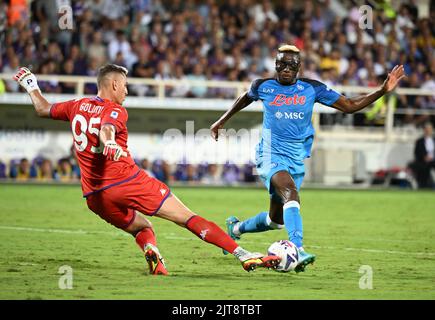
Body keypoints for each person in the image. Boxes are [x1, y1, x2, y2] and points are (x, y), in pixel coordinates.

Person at [13, 64, 280, 276]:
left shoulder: (76, 106)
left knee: (142, 227)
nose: (126, 91)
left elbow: (43, 108)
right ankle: (243, 254)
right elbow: (107, 129)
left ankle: (153, 254)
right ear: (115, 84)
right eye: (125, 86)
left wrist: (31, 84)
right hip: (126, 181)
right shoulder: (115, 110)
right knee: (187, 217)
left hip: (94, 196)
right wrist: (108, 144)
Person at [210, 44, 405, 272]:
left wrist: (382, 90)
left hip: (295, 158)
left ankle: (235, 229)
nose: (285, 69)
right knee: (291, 193)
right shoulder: (263, 86)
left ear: (299, 67)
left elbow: (350, 106)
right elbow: (246, 97)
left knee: (276, 220)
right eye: (281, 64)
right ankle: (298, 248)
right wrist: (221, 121)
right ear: (275, 65)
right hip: (270, 154)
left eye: (291, 65)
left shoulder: (312, 89)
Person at [412, 122, 435, 188]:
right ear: (424, 130)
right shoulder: (419, 141)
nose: (428, 131)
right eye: (426, 129)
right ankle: (423, 185)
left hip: (434, 160)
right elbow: (416, 152)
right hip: (423, 161)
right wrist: (424, 157)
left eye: (429, 129)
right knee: (422, 167)